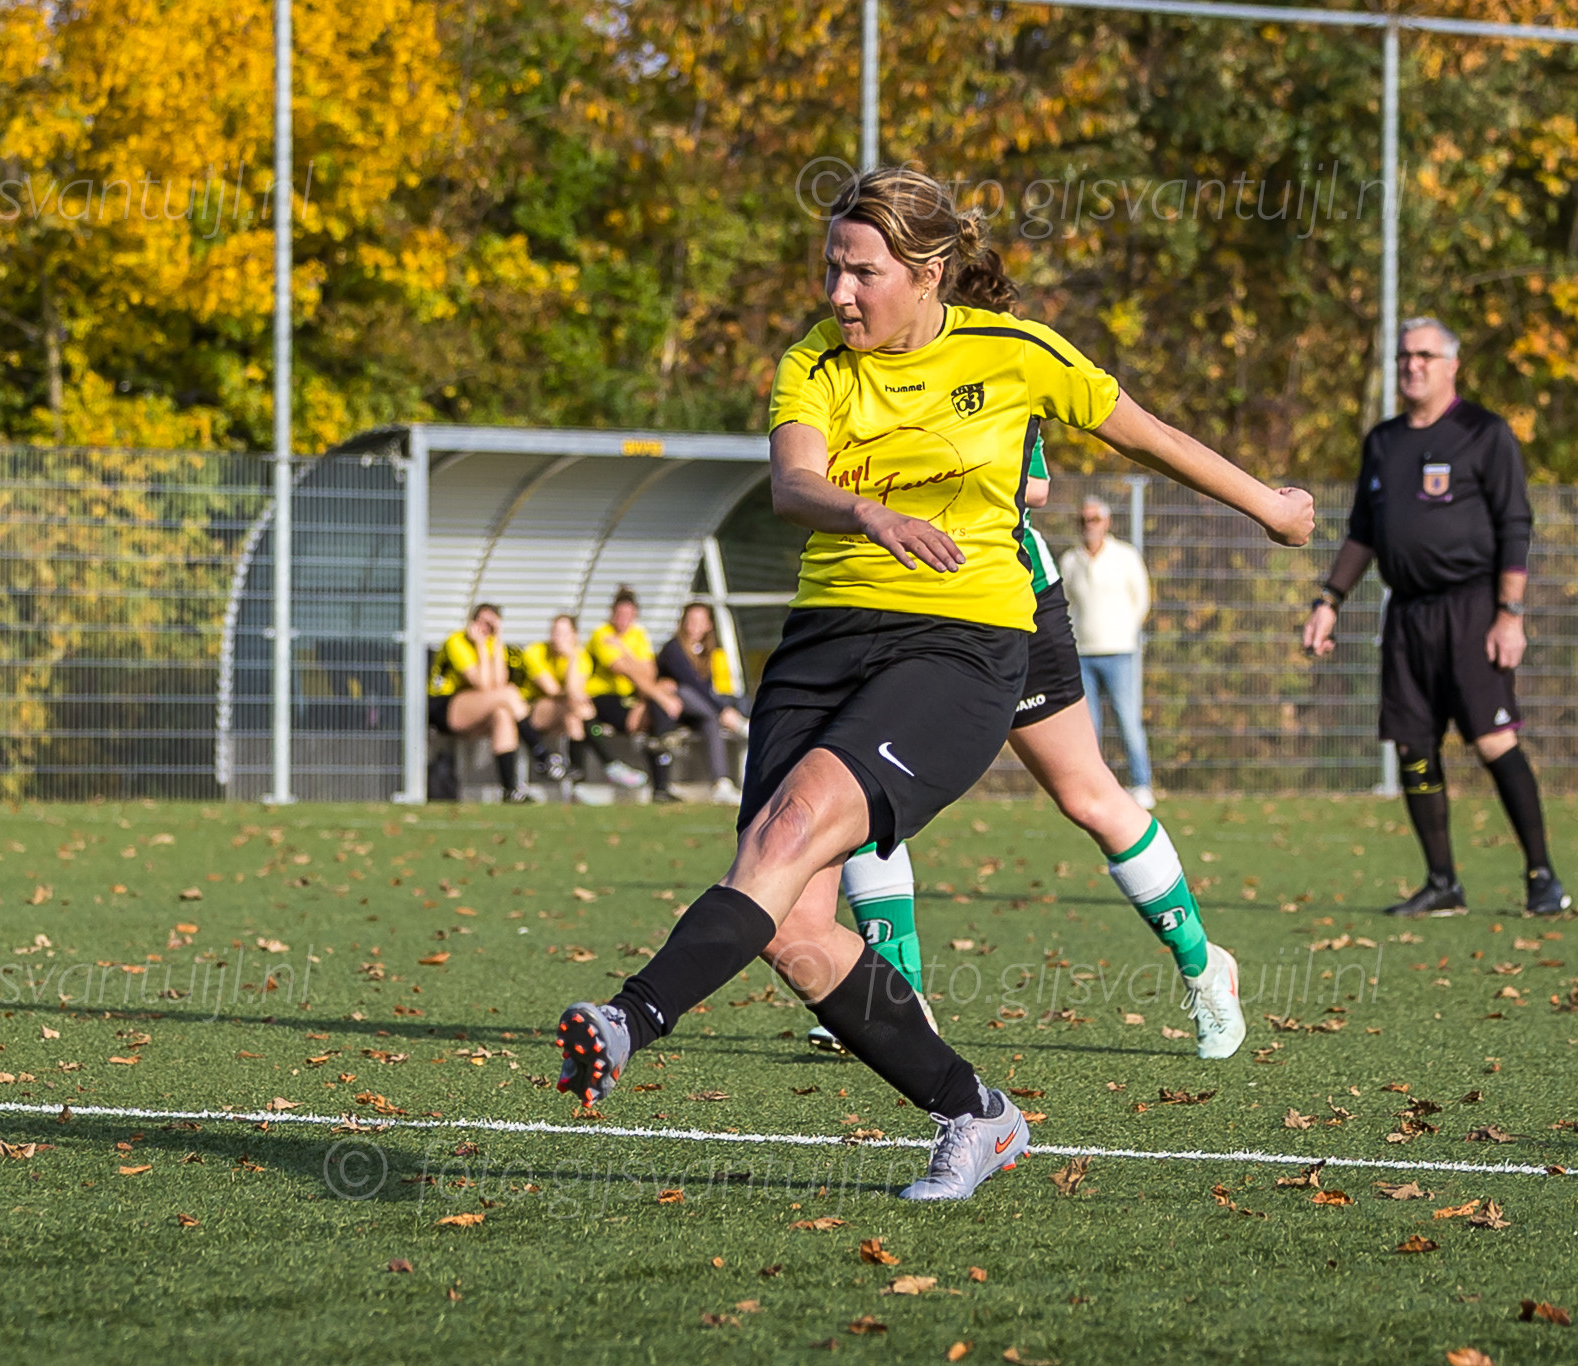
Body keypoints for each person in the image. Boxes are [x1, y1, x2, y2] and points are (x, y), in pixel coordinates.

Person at [551, 164, 1312, 1203]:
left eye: (860, 272)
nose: (838, 292)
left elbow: (1149, 435)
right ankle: (977, 1113)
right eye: (830, 268)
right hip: (822, 640)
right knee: (794, 927)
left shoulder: (1015, 352)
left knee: (806, 825)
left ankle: (626, 1019)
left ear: (927, 272)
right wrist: (867, 513)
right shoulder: (813, 362)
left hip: (960, 641)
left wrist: (1269, 506)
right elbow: (793, 482)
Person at [808, 428, 1244, 1062]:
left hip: (1011, 603)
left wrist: (916, 473)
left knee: (1087, 796)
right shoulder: (846, 381)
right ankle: (897, 992)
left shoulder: (995, 369)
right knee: (865, 787)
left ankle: (1205, 967)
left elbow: (1034, 485)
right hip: (895, 602)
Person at [1302, 316, 1566, 917]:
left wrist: (1510, 614)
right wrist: (1329, 601)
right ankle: (1442, 883)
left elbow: (1515, 525)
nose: (1412, 366)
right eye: (1404, 356)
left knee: (1494, 739)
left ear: (1452, 365)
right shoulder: (1383, 441)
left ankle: (1542, 877)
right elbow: (1364, 533)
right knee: (1413, 747)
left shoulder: (1484, 433)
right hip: (1406, 615)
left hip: (1473, 608)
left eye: (1424, 355)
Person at [1058, 497, 1155, 808]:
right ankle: (1094, 788)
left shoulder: (1125, 556)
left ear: (1107, 522)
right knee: (1088, 728)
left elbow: (1141, 599)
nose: (1089, 525)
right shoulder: (1070, 560)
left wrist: (1125, 632)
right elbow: (1065, 604)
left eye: (1095, 519)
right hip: (1082, 653)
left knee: (1128, 720)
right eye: (1084, 520)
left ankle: (1141, 783)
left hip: (1120, 652)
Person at [426, 602, 540, 804]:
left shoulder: (493, 645)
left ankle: (510, 789)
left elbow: (498, 683)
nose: (485, 629)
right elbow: (483, 685)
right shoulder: (457, 641)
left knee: (502, 714)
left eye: (491, 625)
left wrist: (496, 642)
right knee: (509, 694)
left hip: (475, 706)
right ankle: (541, 752)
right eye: (482, 622)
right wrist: (480, 645)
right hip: (443, 705)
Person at [583, 587, 683, 800]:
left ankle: (661, 786)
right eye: (619, 614)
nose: (623, 619)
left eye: (628, 615)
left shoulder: (638, 635)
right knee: (659, 706)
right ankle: (660, 780)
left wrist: (624, 651)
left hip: (633, 697)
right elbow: (624, 670)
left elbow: (650, 672)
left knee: (659, 705)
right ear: (612, 613)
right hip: (603, 698)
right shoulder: (602, 634)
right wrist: (658, 695)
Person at [657, 601, 749, 804]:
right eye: (691, 621)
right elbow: (690, 683)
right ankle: (738, 724)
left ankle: (722, 784)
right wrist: (723, 710)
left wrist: (720, 710)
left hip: (700, 712)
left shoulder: (707, 652)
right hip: (673, 711)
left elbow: (706, 689)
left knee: (711, 722)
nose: (694, 626)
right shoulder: (673, 649)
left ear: (708, 625)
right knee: (685, 691)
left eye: (700, 621)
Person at [516, 615, 588, 782]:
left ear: (574, 636)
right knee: (578, 709)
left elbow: (574, 690)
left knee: (574, 715)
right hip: (529, 712)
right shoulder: (536, 651)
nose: (557, 638)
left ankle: (576, 777)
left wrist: (572, 658)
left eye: (563, 634)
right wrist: (574, 695)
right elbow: (552, 690)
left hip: (566, 711)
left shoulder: (580, 656)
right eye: (555, 632)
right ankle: (603, 763)